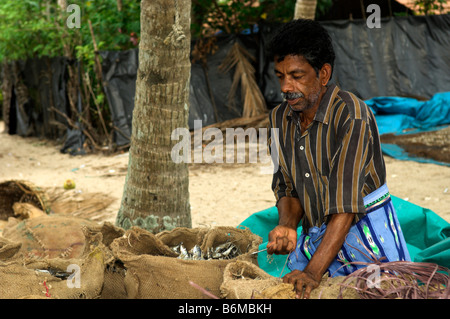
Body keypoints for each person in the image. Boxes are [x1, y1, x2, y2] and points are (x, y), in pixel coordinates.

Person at [265, 19, 410, 299]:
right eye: (280, 76)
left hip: (364, 234)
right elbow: (286, 186)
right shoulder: (277, 119)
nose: (286, 86)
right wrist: (286, 224)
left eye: (296, 75)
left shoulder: (351, 115)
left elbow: (345, 206)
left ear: (323, 74)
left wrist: (312, 272)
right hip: (318, 235)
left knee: (387, 292)